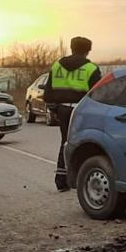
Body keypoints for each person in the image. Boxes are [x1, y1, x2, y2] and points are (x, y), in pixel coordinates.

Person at [44, 36, 102, 192]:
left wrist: (53, 109)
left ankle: (61, 180)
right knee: (87, 143)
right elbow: (97, 93)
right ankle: (83, 179)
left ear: (71, 47)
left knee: (65, 142)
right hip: (82, 110)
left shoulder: (57, 66)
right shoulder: (91, 68)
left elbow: (48, 91)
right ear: (88, 50)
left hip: (62, 109)